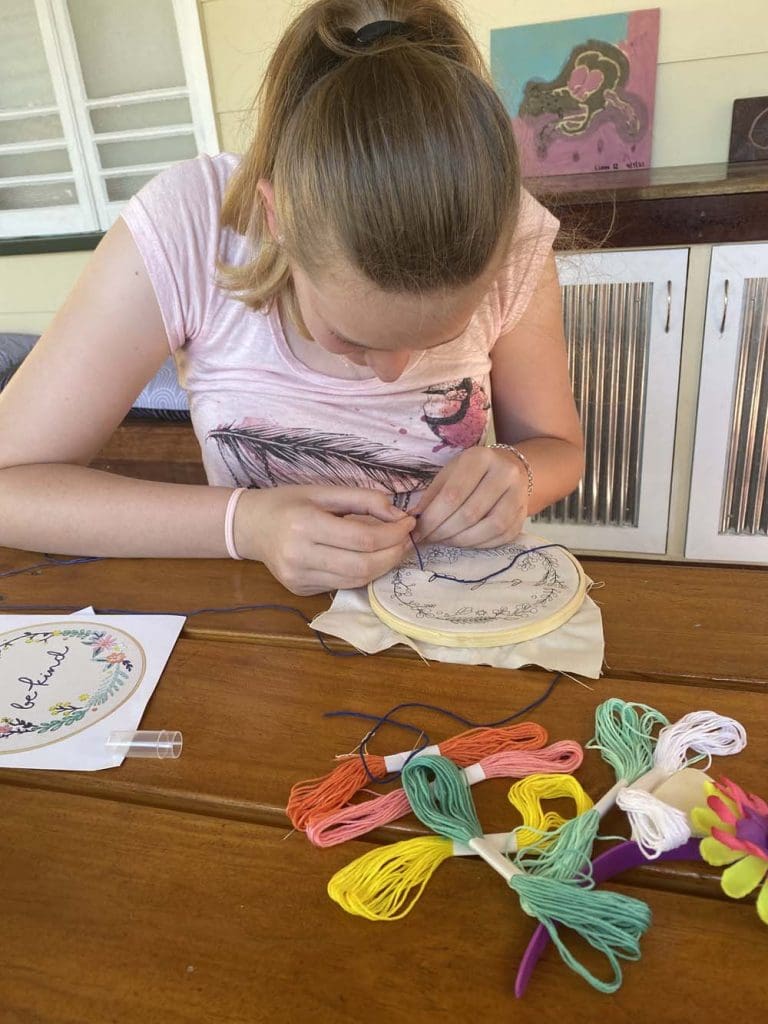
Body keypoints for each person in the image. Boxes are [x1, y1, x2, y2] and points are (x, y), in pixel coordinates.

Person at [0, 0, 583, 596]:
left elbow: (559, 449)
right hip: (263, 621)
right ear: (275, 218)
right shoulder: (190, 227)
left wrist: (521, 473)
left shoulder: (511, 232)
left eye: (441, 338)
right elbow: (8, 488)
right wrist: (245, 525)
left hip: (458, 609)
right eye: (351, 338)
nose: (393, 374)